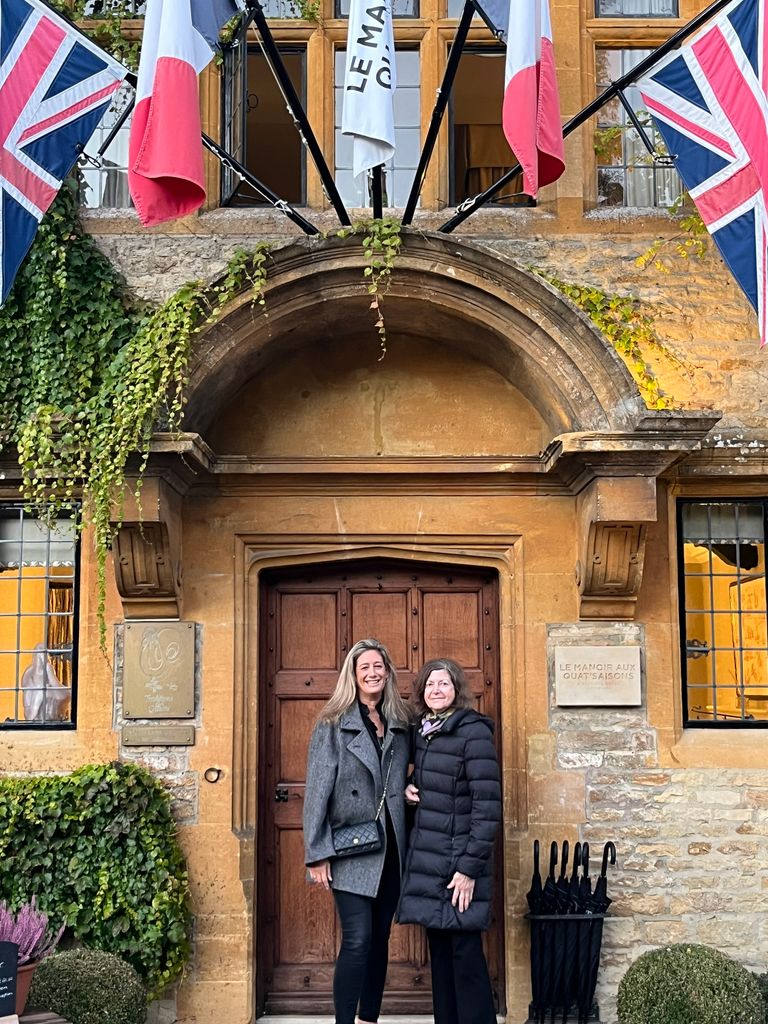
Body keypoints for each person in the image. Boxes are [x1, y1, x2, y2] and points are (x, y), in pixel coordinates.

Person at [304, 638, 411, 1024]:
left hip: (391, 845)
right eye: (364, 667)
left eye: (378, 666)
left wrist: (412, 790)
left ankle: (369, 1019)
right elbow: (316, 789)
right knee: (359, 939)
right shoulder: (333, 724)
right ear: (353, 674)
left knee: (379, 939)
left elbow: (408, 773)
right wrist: (316, 851)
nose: (372, 673)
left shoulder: (400, 722)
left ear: (388, 672)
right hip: (351, 847)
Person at [397, 657, 501, 1024]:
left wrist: (469, 868)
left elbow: (487, 806)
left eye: (443, 683)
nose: (435, 690)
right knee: (439, 956)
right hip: (429, 860)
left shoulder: (473, 732)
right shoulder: (423, 732)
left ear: (456, 689)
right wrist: (405, 788)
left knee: (465, 954)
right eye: (429, 684)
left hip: (459, 865)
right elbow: (411, 779)